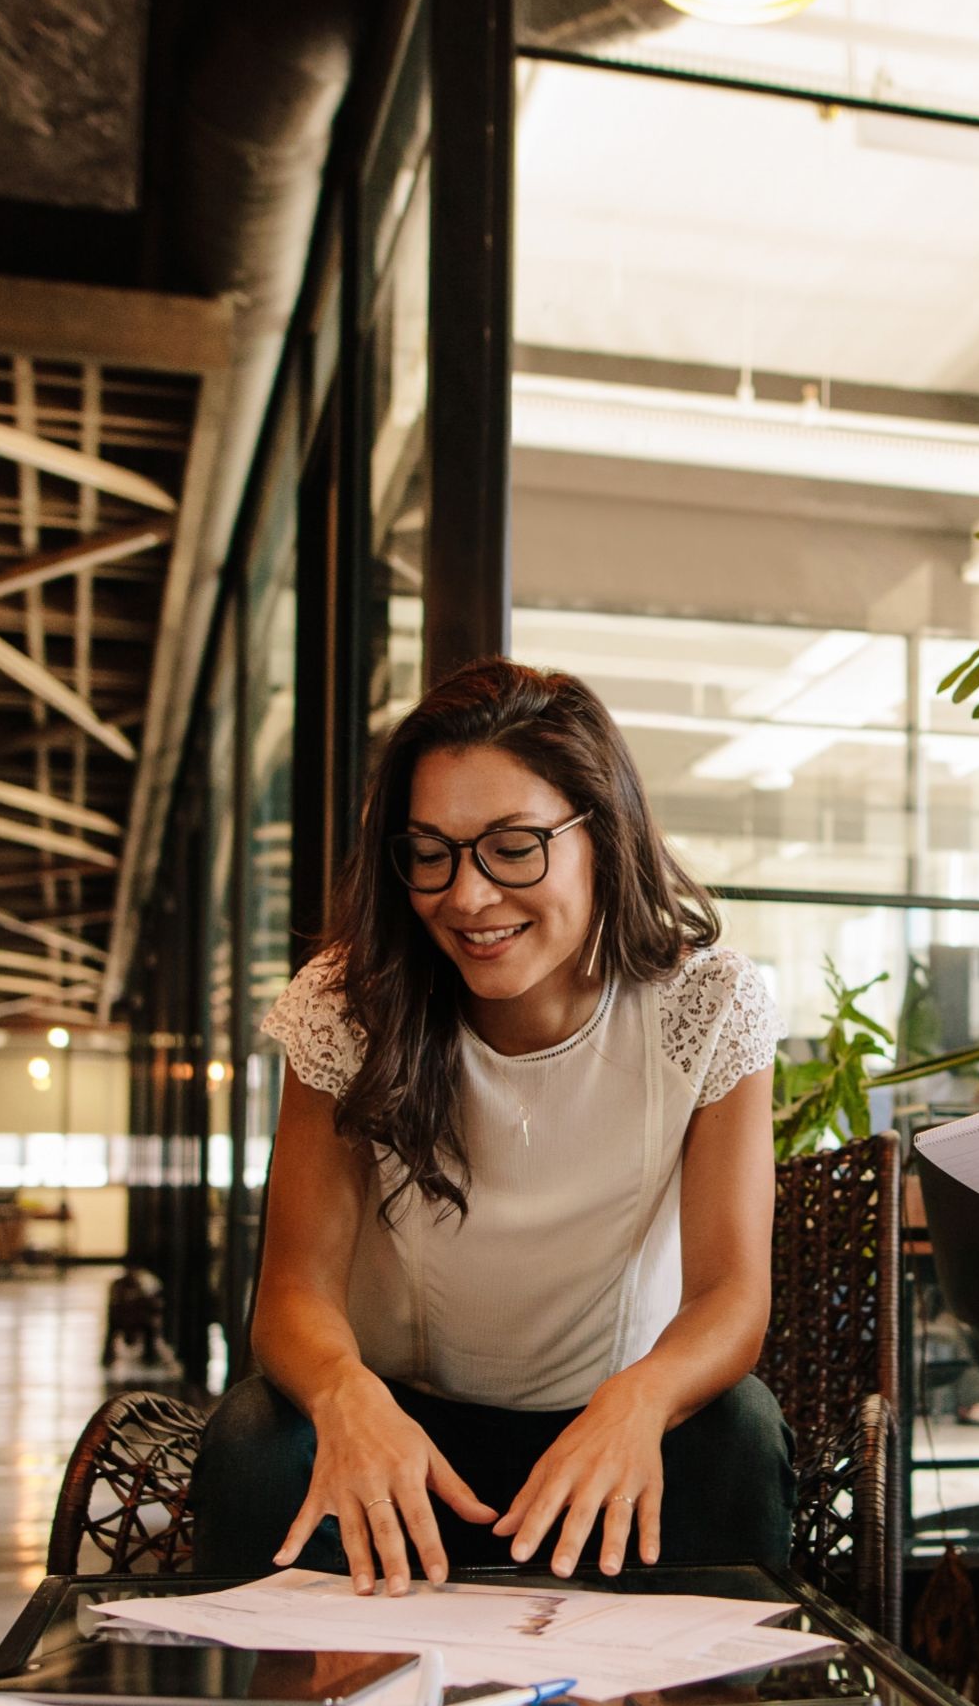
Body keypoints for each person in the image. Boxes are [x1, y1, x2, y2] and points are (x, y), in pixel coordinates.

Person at [190, 658, 790, 1594]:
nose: (466, 897)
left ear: (603, 832)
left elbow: (730, 1296)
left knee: (739, 1433)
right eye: (430, 851)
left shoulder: (707, 1003)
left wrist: (638, 1399)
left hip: (606, 1424)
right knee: (253, 1444)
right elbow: (294, 1290)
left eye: (513, 846)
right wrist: (348, 1394)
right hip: (405, 1434)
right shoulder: (351, 1004)